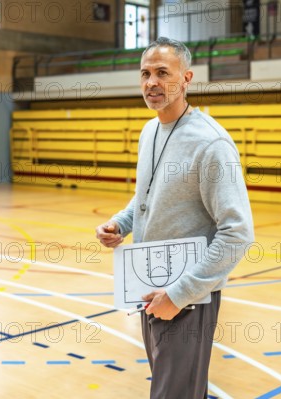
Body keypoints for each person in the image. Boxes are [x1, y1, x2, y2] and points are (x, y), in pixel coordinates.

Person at [95, 37, 254, 398]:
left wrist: (180, 294)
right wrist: (120, 222)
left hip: (187, 297)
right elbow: (146, 197)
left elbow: (238, 232)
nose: (151, 82)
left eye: (163, 73)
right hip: (148, 288)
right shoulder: (151, 131)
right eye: (145, 74)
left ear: (186, 79)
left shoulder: (211, 143)